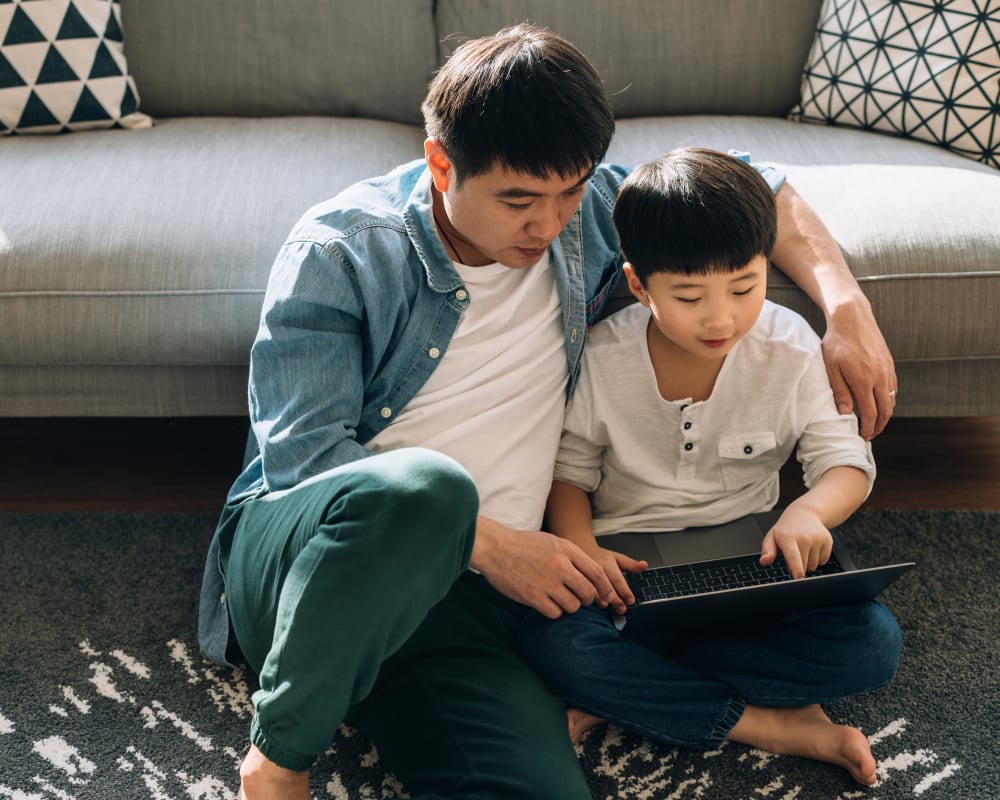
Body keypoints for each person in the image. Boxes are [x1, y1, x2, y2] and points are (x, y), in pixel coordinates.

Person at [196, 24, 898, 800]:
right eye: (519, 201)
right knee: (428, 491)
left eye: (570, 191)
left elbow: (754, 183)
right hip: (319, 555)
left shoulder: (586, 209)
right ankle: (278, 760)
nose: (550, 224)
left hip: (478, 608)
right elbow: (304, 460)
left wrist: (847, 307)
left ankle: (706, 711)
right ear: (441, 164)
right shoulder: (341, 250)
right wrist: (496, 547)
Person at [517, 147, 902, 787]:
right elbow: (569, 473)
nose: (721, 317)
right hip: (623, 568)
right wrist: (583, 548)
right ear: (640, 286)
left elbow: (845, 463)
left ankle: (625, 686)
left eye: (744, 288)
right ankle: (770, 722)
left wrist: (808, 512)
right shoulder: (604, 357)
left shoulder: (791, 347)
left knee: (871, 645)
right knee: (550, 637)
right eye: (690, 296)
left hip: (749, 568)